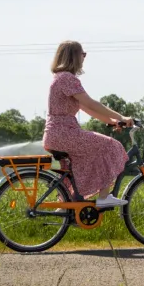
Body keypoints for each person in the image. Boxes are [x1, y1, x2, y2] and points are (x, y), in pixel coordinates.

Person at [42, 40, 134, 208]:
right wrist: (121, 116)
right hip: (64, 133)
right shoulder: (67, 78)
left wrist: (113, 121)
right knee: (111, 146)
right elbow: (91, 103)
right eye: (82, 54)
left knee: (82, 165)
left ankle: (68, 206)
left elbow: (86, 108)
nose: (84, 58)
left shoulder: (60, 78)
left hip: (57, 134)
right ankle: (104, 197)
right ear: (73, 56)